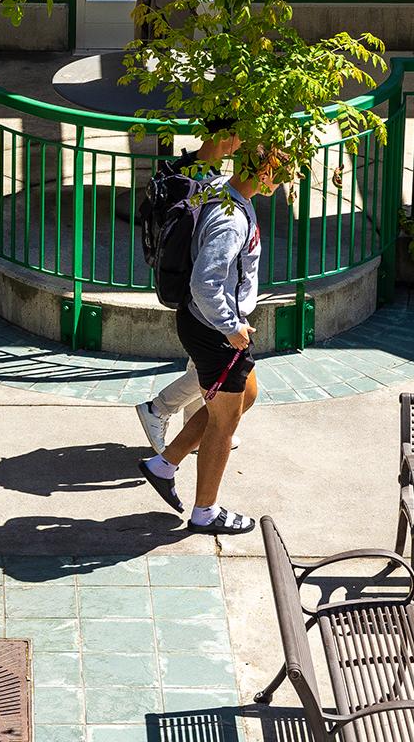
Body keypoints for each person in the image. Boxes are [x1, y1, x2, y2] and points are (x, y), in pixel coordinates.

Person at [139, 144, 287, 536]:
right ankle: (205, 512)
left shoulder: (223, 188)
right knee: (224, 425)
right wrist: (229, 326)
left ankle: (164, 464)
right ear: (265, 172)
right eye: (283, 173)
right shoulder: (230, 219)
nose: (286, 182)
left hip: (210, 323)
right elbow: (205, 281)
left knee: (246, 396)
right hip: (213, 329)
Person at [135, 117, 243, 454]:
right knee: (215, 365)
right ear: (227, 137)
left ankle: (198, 428)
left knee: (201, 361)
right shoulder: (211, 184)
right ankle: (159, 408)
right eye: (242, 136)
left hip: (185, 280)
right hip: (200, 288)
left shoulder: (186, 167)